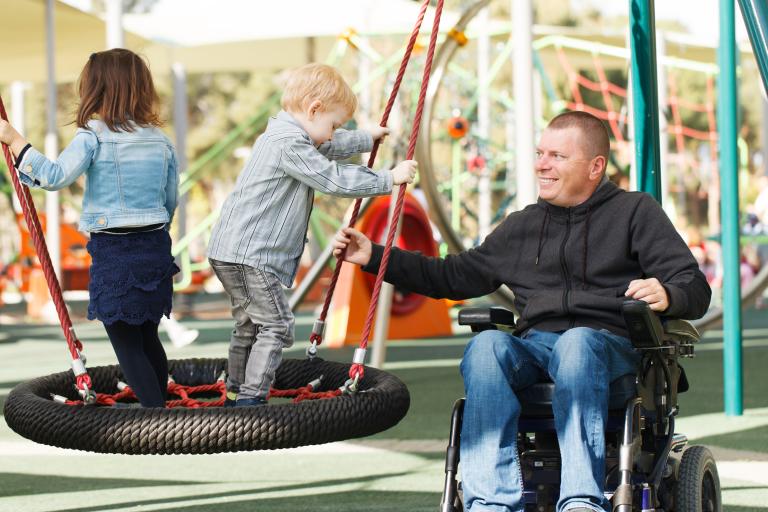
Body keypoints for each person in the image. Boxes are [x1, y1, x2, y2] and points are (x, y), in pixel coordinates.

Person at [333, 111, 711, 512]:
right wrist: (374, 256)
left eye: (557, 156)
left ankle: (581, 501)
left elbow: (694, 286)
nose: (541, 164)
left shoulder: (635, 212)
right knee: (487, 348)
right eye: (540, 153)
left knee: (578, 344)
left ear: (595, 167)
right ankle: (491, 502)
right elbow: (451, 276)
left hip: (608, 350)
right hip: (537, 349)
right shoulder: (522, 226)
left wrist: (668, 292)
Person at [207, 63, 417, 407]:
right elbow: (331, 178)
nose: (334, 133)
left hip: (230, 250)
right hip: (250, 255)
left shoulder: (282, 134)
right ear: (314, 109)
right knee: (276, 325)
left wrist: (366, 137)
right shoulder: (290, 145)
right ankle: (250, 401)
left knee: (248, 324)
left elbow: (326, 145)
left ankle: (235, 392)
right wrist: (388, 179)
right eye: (333, 124)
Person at [0, 49, 178, 408]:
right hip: (155, 245)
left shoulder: (93, 135)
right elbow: (170, 198)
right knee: (147, 335)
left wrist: (14, 139)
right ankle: (161, 406)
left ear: (95, 90)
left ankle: (155, 414)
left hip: (116, 251)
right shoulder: (160, 140)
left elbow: (53, 176)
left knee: (125, 341)